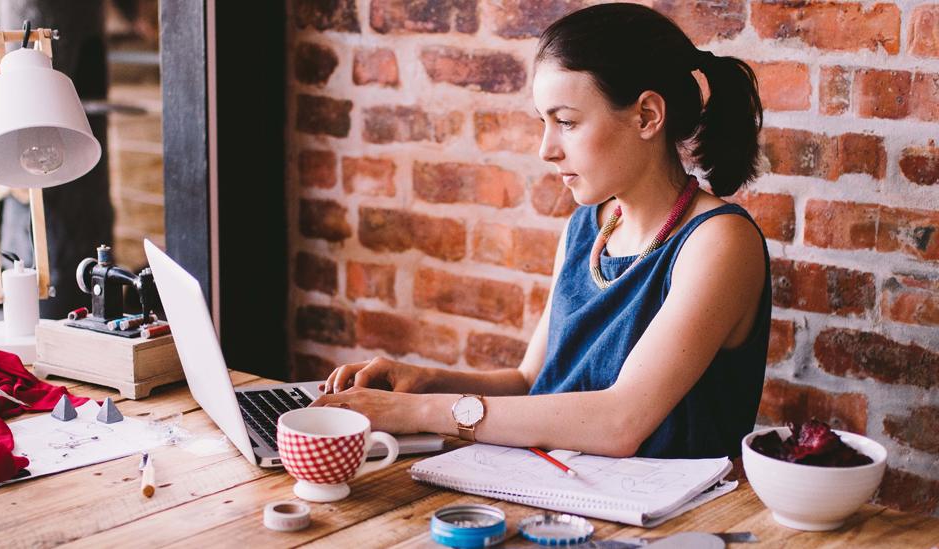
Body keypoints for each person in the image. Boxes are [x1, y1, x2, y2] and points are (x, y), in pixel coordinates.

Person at [312, 3, 771, 459]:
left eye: (566, 122)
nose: (545, 149)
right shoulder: (587, 229)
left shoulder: (719, 242)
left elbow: (620, 422)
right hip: (554, 492)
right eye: (543, 122)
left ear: (647, 116)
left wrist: (419, 414)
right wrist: (422, 384)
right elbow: (531, 382)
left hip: (669, 523)